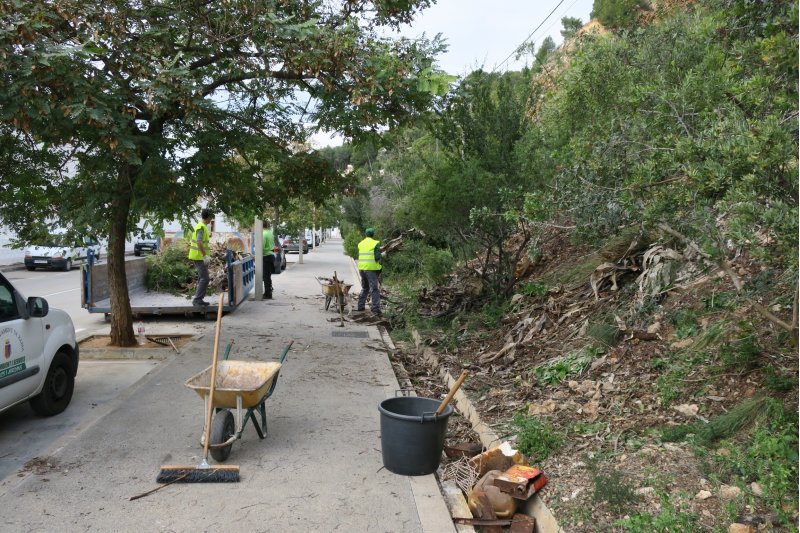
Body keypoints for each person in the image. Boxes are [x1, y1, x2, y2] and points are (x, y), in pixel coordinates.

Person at [188, 208, 213, 306]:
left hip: (199, 256)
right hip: (199, 257)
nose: (211, 220)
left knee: (201, 278)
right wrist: (205, 256)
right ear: (208, 217)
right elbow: (199, 242)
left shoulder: (202, 226)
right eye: (211, 217)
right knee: (205, 278)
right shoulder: (201, 227)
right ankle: (197, 300)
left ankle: (200, 299)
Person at [356, 227, 382, 316]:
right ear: (373, 234)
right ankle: (375, 309)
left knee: (365, 287)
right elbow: (377, 257)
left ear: (365, 234)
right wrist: (383, 254)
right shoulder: (375, 243)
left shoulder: (361, 243)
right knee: (374, 288)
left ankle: (360, 306)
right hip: (370, 269)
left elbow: (367, 253)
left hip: (361, 268)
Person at [261, 224, 278, 299]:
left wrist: (257, 255)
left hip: (266, 256)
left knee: (266, 276)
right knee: (268, 275)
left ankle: (268, 293)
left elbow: (262, 246)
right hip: (271, 255)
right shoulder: (270, 232)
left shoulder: (263, 234)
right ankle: (270, 289)